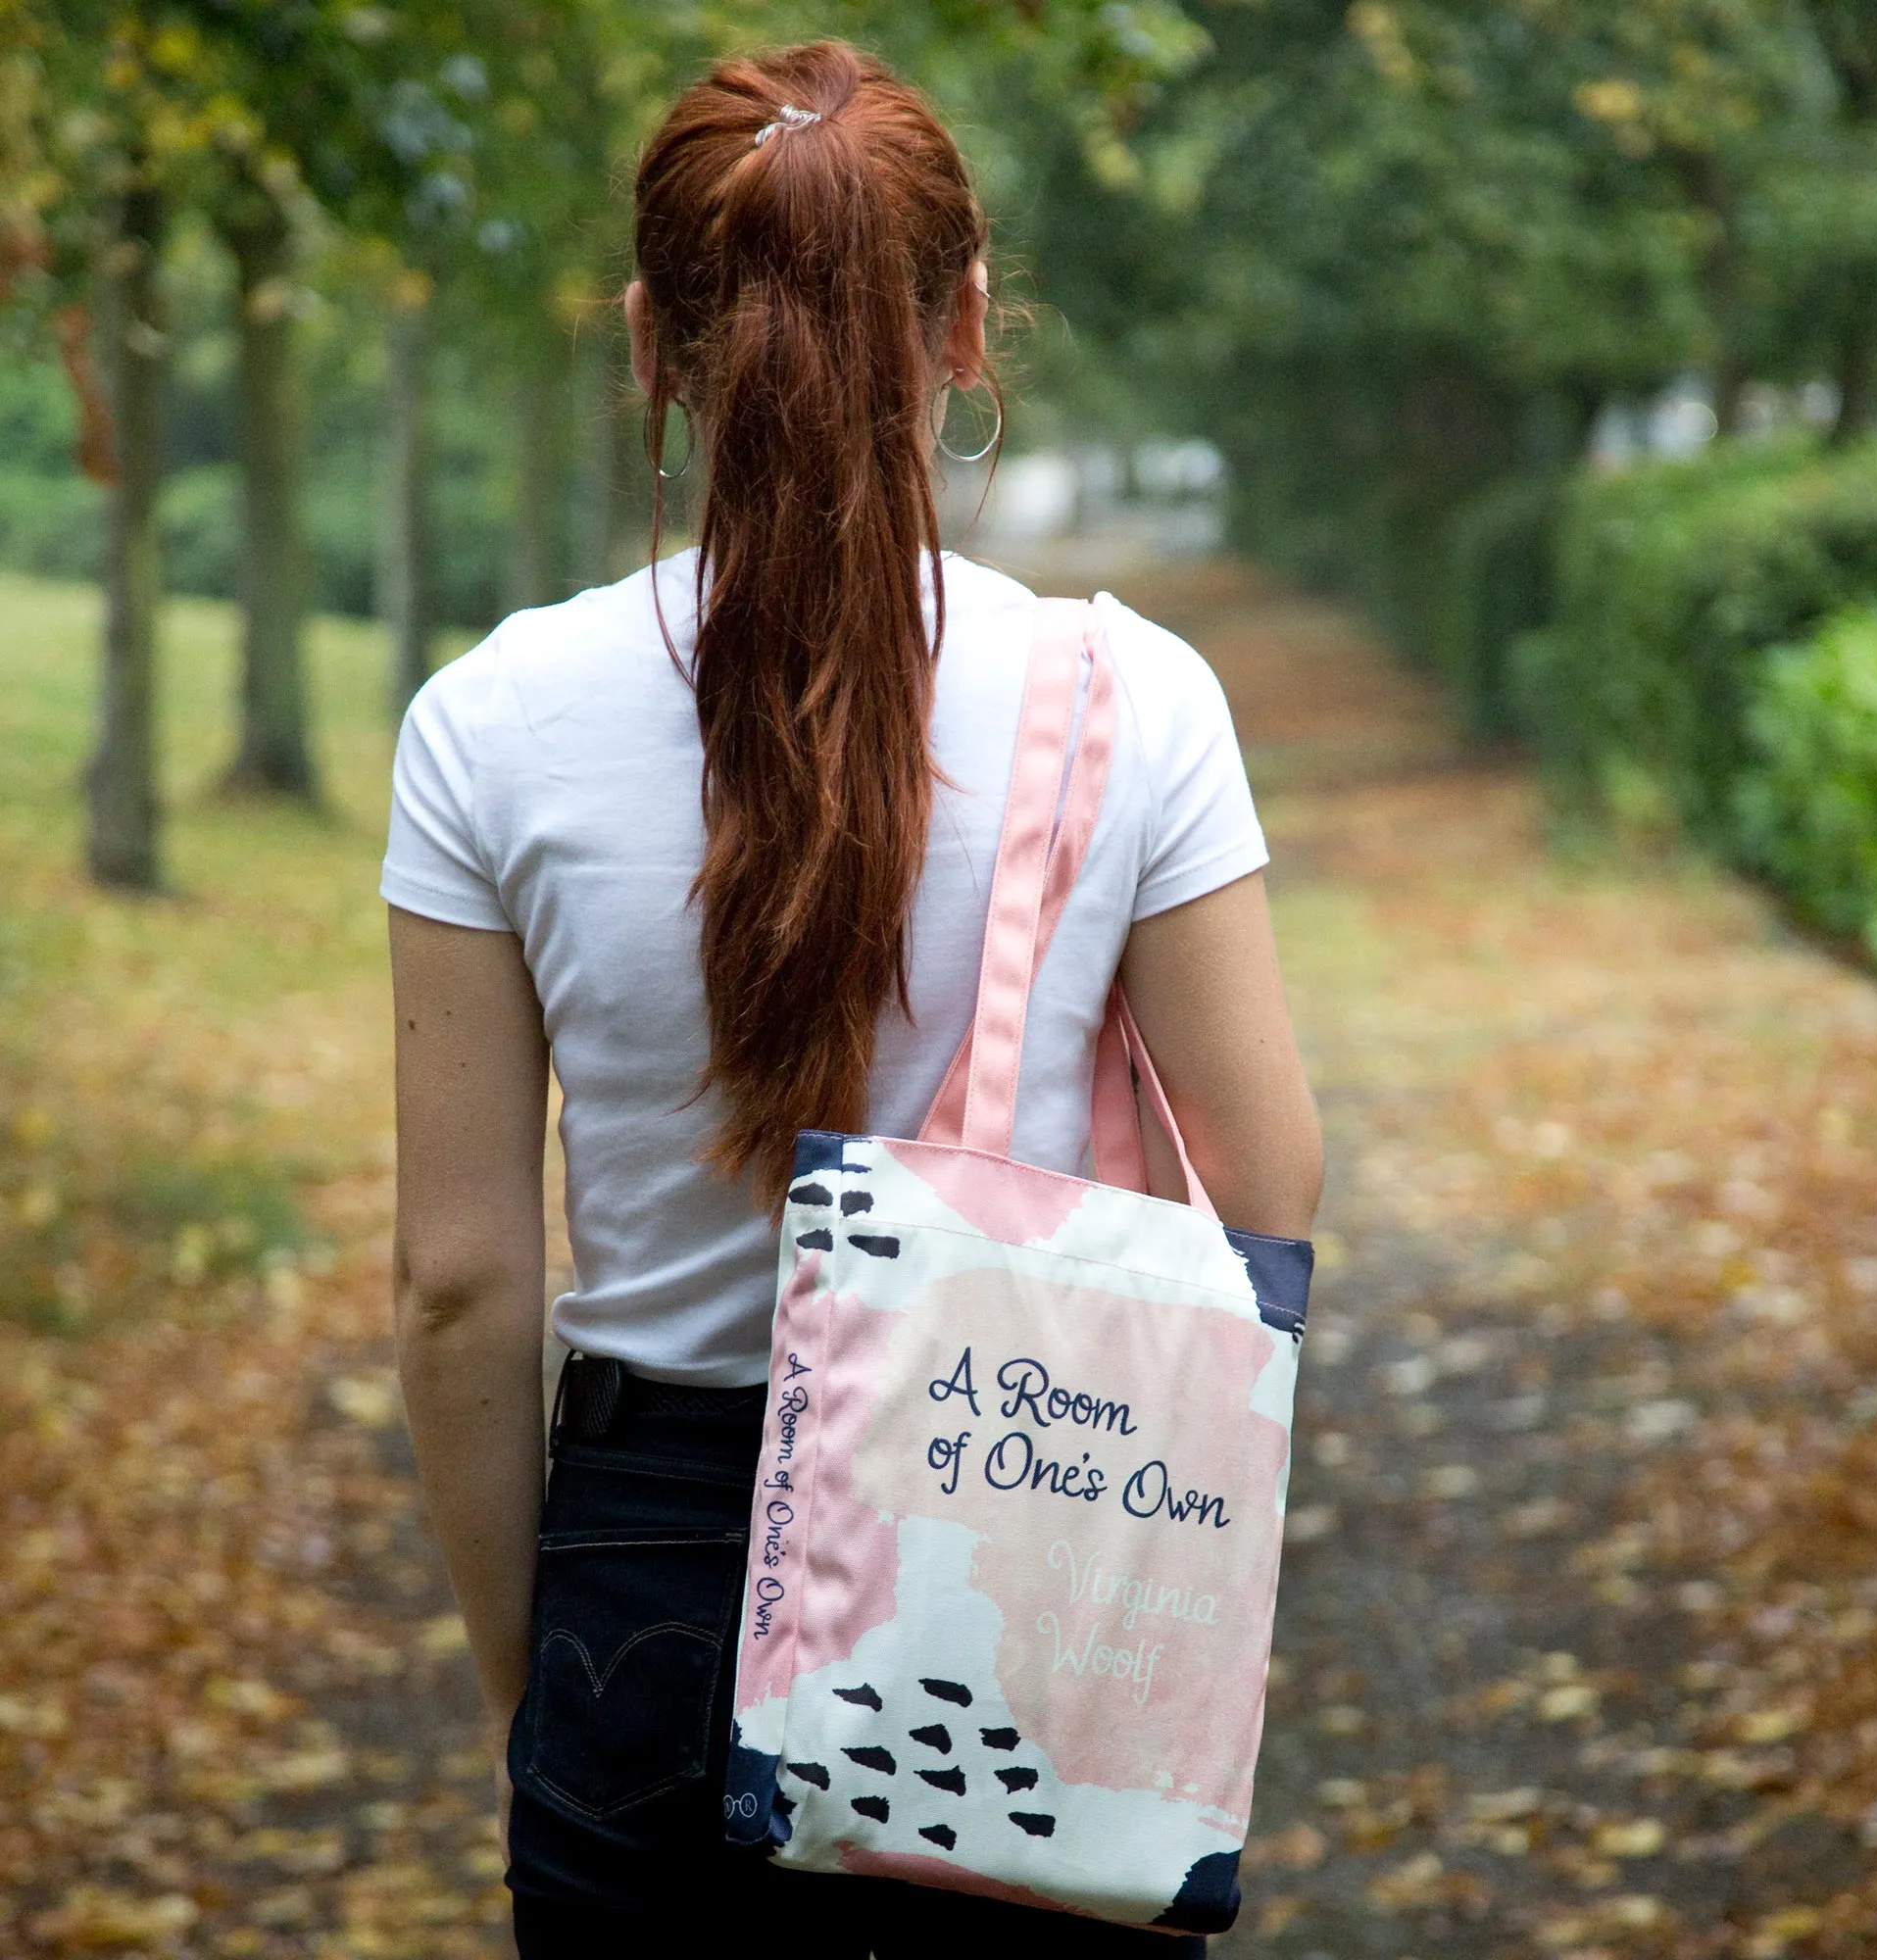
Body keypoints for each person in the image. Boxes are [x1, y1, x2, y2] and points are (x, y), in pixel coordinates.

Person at [381, 38, 1321, 1958]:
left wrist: (541, 1676)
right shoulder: (1129, 698)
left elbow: (460, 1284)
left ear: (652, 341)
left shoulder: (487, 722)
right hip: (1009, 1539)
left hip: (641, 1564)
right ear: (966, 324)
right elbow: (1267, 1180)